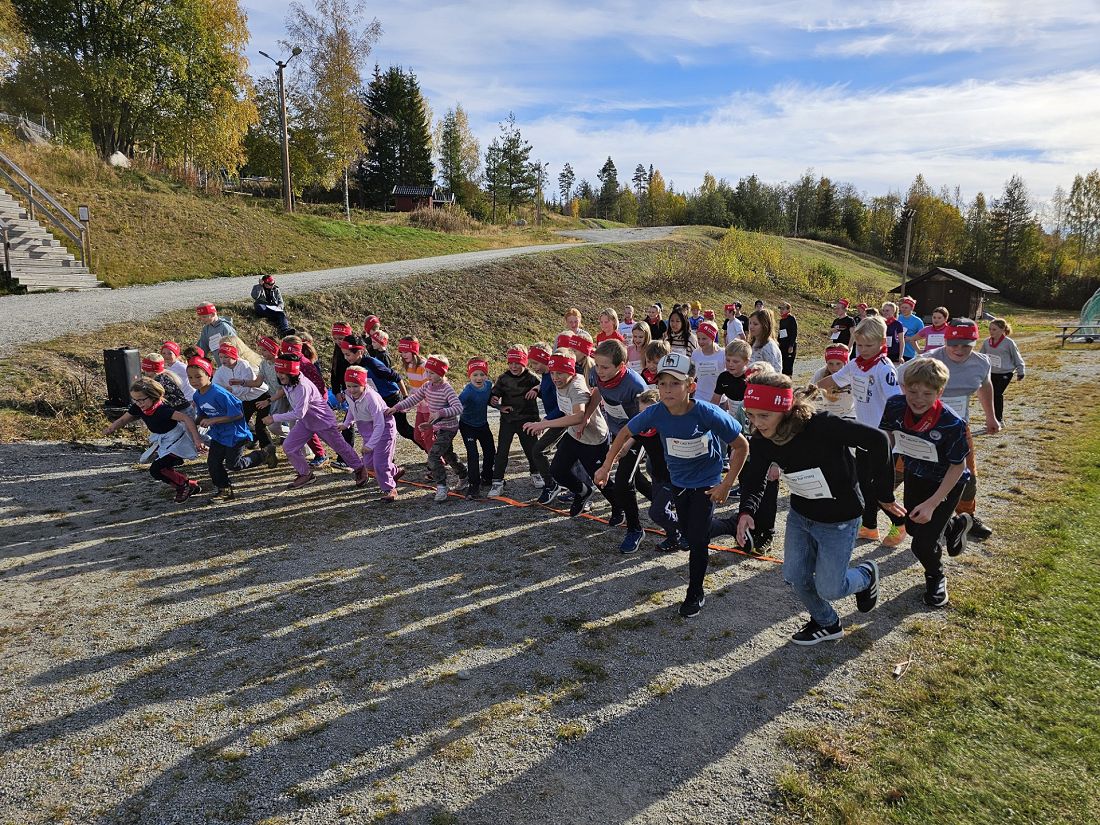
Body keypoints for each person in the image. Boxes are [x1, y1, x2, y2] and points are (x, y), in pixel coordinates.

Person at [735, 372, 904, 645]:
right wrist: (746, 512)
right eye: (751, 415)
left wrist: (883, 492)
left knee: (831, 587)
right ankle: (827, 623)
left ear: (785, 409)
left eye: (763, 416)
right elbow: (754, 478)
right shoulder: (762, 439)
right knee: (794, 575)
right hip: (801, 515)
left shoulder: (821, 426)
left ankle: (866, 574)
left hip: (839, 517)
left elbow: (878, 441)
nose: (756, 423)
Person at [595, 352, 748, 618]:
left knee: (697, 541)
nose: (667, 390)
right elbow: (625, 432)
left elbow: (741, 445)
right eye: (662, 384)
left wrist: (726, 484)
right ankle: (730, 524)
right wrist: (607, 464)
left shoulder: (707, 413)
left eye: (675, 384)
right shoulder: (656, 412)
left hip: (707, 482)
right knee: (690, 532)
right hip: (678, 481)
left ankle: (695, 592)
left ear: (691, 386)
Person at [880, 358, 974, 607]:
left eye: (927, 393)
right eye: (912, 391)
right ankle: (954, 525)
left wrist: (934, 503)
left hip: (946, 483)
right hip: (915, 473)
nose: (918, 398)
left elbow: (959, 466)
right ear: (904, 387)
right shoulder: (895, 405)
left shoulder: (952, 423)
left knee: (921, 544)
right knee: (912, 527)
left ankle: (936, 576)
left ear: (939, 392)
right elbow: (888, 436)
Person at [899, 318, 999, 540]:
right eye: (954, 344)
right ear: (945, 340)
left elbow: (984, 385)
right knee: (900, 471)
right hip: (922, 428)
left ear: (975, 342)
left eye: (966, 344)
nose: (959, 349)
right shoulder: (928, 360)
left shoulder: (982, 363)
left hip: (957, 429)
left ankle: (966, 518)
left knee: (967, 476)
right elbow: (900, 378)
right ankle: (883, 514)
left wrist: (991, 417)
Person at [814, 316, 905, 545]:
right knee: (863, 482)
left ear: (882, 343)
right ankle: (869, 526)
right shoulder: (855, 364)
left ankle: (900, 523)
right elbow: (833, 380)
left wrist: (890, 435)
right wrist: (807, 390)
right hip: (863, 434)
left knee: (880, 488)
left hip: (882, 438)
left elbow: (896, 403)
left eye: (869, 345)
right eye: (860, 345)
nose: (863, 350)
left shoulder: (884, 369)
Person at [523, 351, 613, 518]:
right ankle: (583, 492)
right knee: (557, 471)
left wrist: (543, 424)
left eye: (560, 373)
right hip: (574, 434)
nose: (555, 378)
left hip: (593, 439)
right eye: (553, 373)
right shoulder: (558, 380)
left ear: (571, 372)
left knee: (600, 479)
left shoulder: (576, 387)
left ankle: (621, 509)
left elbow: (579, 416)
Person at [262, 353, 369, 490]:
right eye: (278, 371)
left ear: (292, 372)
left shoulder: (303, 386)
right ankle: (305, 474)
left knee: (340, 447)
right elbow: (285, 394)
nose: (279, 375)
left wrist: (274, 418)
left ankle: (360, 468)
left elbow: (299, 413)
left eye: (283, 372)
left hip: (322, 421)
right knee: (289, 447)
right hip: (306, 423)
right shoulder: (288, 382)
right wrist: (269, 400)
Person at [586, 339, 648, 553]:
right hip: (617, 432)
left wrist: (628, 442)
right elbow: (597, 392)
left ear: (621, 365)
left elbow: (645, 420)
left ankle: (635, 529)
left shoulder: (636, 386)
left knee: (623, 481)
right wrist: (586, 416)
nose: (599, 371)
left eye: (605, 367)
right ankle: (664, 504)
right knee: (636, 479)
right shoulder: (597, 373)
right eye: (597, 365)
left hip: (638, 434)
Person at [104, 377, 205, 502]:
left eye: (141, 400)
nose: (139, 403)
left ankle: (183, 485)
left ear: (153, 396)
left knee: (157, 469)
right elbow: (124, 419)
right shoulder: (139, 407)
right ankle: (188, 485)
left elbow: (186, 418)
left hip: (176, 440)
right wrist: (111, 428)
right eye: (135, 400)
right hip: (163, 440)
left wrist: (196, 439)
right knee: (159, 470)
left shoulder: (163, 410)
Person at [386, 354, 468, 502]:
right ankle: (464, 475)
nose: (428, 375)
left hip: (448, 428)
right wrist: (396, 407)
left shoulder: (446, 389)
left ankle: (442, 486)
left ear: (441, 373)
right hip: (437, 427)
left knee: (434, 456)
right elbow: (413, 399)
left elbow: (458, 407)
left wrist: (440, 412)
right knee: (448, 455)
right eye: (427, 372)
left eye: (431, 373)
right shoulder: (427, 386)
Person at [188, 356, 264, 501]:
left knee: (234, 465)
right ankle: (224, 489)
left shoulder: (219, 393)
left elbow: (237, 414)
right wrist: (194, 421)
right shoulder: (197, 395)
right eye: (190, 377)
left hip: (235, 434)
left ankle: (261, 455)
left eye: (198, 376)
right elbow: (203, 412)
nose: (194, 381)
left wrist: (213, 420)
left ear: (209, 374)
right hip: (218, 434)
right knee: (213, 463)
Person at [488, 345, 552, 500]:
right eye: (511, 363)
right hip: (508, 420)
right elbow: (493, 396)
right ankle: (497, 481)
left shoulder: (532, 378)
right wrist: (497, 404)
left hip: (527, 420)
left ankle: (535, 473)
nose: (514, 366)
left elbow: (546, 391)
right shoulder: (503, 378)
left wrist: (537, 391)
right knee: (502, 451)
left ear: (524, 362)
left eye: (517, 363)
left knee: (531, 450)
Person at [342, 366, 401, 503]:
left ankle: (390, 489)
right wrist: (346, 423)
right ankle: (393, 471)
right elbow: (352, 408)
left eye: (355, 386)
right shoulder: (349, 394)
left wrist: (370, 445)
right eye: (349, 386)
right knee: (369, 464)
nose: (351, 389)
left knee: (380, 463)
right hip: (368, 431)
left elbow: (380, 424)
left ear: (364, 384)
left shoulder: (371, 398)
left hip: (384, 430)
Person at [216, 340, 274, 463]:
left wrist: (231, 391)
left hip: (261, 396)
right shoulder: (221, 370)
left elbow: (247, 387)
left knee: (260, 425)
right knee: (239, 424)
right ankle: (237, 451)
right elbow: (215, 386)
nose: (223, 360)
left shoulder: (244, 365)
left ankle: (268, 451)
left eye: (226, 357)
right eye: (220, 357)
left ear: (233, 356)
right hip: (244, 401)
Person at [458, 358, 496, 500]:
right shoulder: (467, 391)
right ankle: (473, 485)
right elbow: (456, 406)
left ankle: (487, 476)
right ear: (469, 376)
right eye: (475, 375)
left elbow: (491, 401)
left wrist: (500, 407)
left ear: (486, 376)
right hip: (467, 426)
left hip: (482, 424)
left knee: (490, 451)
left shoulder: (488, 386)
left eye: (482, 374)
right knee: (473, 454)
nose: (479, 378)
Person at [979, 318, 1025, 423]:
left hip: (1006, 373)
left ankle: (999, 420)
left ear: (1002, 330)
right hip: (991, 373)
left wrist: (1021, 371)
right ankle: (992, 419)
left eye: (994, 329)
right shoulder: (987, 342)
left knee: (997, 394)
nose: (991, 332)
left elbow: (1017, 357)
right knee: (990, 395)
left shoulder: (1009, 343)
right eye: (990, 329)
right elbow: (981, 357)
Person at [811, 345, 856, 421]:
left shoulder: (852, 373)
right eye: (830, 364)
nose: (834, 368)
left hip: (850, 414)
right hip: (829, 415)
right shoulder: (820, 373)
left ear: (845, 363)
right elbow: (810, 391)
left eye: (838, 364)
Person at [690, 320, 725, 406]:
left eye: (704, 338)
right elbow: (691, 374)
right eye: (698, 338)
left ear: (712, 338)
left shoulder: (723, 353)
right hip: (700, 397)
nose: (701, 342)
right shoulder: (696, 353)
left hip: (719, 399)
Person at [896, 296, 924, 361]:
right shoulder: (897, 318)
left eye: (906, 308)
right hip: (896, 350)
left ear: (912, 308)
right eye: (902, 307)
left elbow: (922, 335)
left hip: (909, 351)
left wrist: (911, 338)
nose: (904, 309)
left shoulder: (917, 321)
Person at [776, 301, 798, 376]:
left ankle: (789, 383)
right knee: (782, 365)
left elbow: (794, 333)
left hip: (789, 345)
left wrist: (791, 345)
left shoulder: (791, 319)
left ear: (788, 310)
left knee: (788, 366)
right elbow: (780, 333)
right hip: (782, 345)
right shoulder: (782, 320)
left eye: (783, 309)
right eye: (780, 309)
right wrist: (777, 343)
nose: (781, 310)